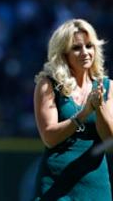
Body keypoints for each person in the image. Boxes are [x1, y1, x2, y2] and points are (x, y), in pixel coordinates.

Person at [33, 19, 113, 200]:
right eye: (77, 48)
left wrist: (98, 106)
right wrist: (84, 113)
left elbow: (109, 139)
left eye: (89, 46)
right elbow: (49, 138)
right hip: (56, 183)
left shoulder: (107, 86)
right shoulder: (48, 84)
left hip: (95, 185)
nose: (85, 52)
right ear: (63, 54)